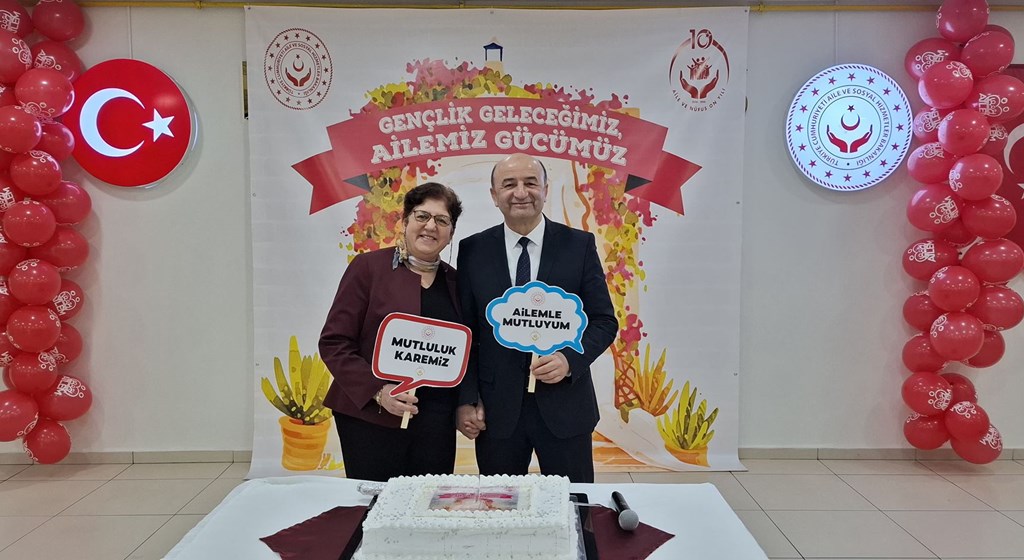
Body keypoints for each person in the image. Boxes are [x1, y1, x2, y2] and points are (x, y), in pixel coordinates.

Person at [456, 153, 617, 483]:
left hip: (566, 407)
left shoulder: (579, 245)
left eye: (530, 183)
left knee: (574, 503)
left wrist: (569, 359)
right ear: (494, 195)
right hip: (497, 412)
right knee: (500, 505)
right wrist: (467, 399)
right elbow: (467, 332)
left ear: (545, 189)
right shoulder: (472, 250)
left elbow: (603, 321)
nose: (520, 192)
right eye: (509, 184)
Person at [319, 182, 463, 482]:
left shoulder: (457, 283)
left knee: (427, 502)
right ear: (405, 220)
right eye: (422, 216)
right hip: (370, 416)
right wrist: (378, 391)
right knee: (377, 503)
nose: (431, 226)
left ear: (451, 232)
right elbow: (334, 343)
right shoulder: (368, 268)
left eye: (442, 220)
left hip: (435, 422)